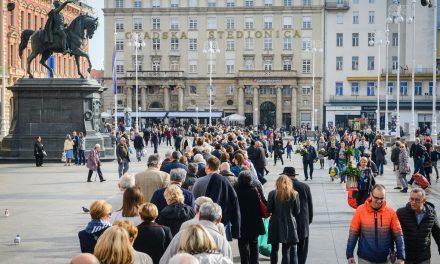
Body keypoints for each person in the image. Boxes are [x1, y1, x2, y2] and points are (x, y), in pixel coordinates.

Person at [346, 184, 405, 264]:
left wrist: (401, 257)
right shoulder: (360, 210)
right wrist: (349, 255)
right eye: (376, 198)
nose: (379, 201)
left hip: (385, 259)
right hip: (365, 258)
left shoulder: (391, 212)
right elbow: (353, 233)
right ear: (370, 195)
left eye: (382, 198)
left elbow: (398, 235)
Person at [159, 202, 233, 264]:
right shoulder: (222, 241)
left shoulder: (182, 235)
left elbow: (164, 261)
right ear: (219, 219)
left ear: (199, 215)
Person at [192, 157, 241, 240]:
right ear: (218, 168)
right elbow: (234, 200)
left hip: (202, 220)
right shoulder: (225, 181)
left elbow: (194, 201)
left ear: (207, 167)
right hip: (221, 219)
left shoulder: (199, 181)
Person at [396, 188, 440, 264]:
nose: (413, 202)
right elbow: (393, 234)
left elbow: (438, 234)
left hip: (423, 258)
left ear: (424, 200)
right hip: (406, 257)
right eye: (411, 199)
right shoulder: (401, 213)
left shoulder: (431, 214)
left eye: (417, 200)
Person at [282, 167, 313, 264]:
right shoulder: (305, 187)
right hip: (302, 221)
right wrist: (309, 220)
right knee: (302, 249)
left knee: (288, 249)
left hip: (287, 222)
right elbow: (310, 206)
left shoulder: (283, 188)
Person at [267, 175, 300, 264]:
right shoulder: (294, 193)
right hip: (289, 223)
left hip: (275, 223)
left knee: (274, 249)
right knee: (286, 251)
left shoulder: (272, 193)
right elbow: (297, 211)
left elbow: (269, 209)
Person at [234, 170, 265, 264]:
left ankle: (245, 262)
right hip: (254, 221)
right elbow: (262, 203)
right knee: (254, 243)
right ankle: (254, 262)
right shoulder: (254, 190)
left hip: (240, 222)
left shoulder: (235, 190)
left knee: (242, 243)